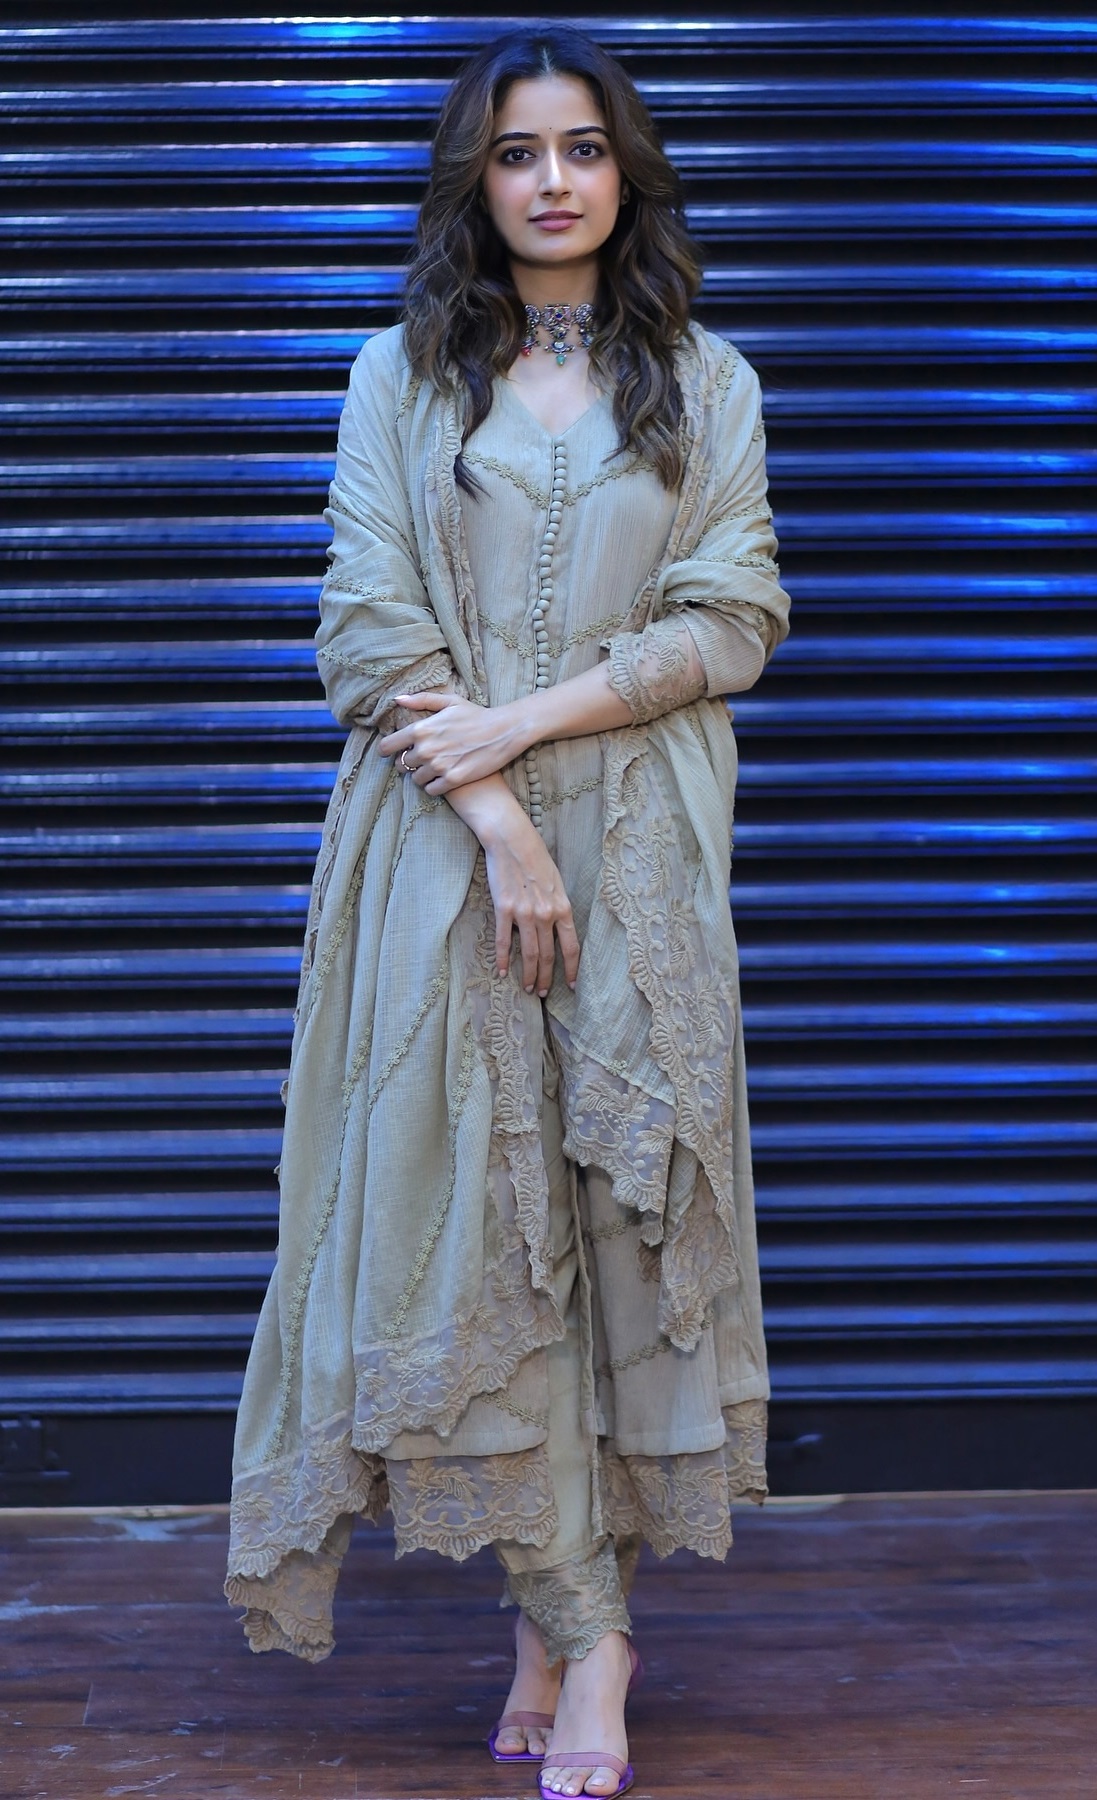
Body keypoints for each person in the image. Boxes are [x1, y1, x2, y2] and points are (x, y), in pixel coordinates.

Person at [224, 25, 790, 1800]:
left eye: (584, 148)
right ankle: (575, 1622)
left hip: (641, 855)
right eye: (518, 151)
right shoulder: (399, 376)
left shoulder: (704, 378)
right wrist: (492, 816)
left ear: (628, 173)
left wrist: (526, 725)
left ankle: (570, 1632)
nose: (553, 180)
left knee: (621, 1225)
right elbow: (365, 621)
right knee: (470, 1235)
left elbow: (733, 616)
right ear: (474, 179)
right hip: (434, 850)